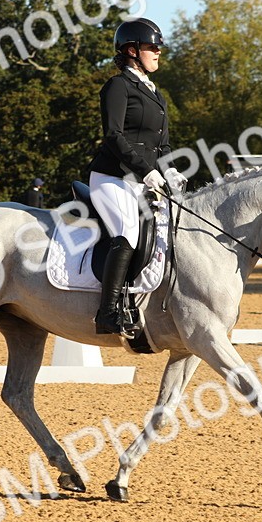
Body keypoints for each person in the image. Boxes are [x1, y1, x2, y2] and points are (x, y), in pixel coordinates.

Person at [87, 18, 187, 336]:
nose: (158, 52)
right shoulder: (118, 86)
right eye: (152, 47)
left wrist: (169, 169)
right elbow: (113, 136)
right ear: (132, 50)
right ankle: (107, 312)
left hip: (143, 180)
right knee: (128, 232)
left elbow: (161, 145)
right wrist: (147, 172)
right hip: (112, 178)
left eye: (158, 48)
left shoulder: (156, 94)